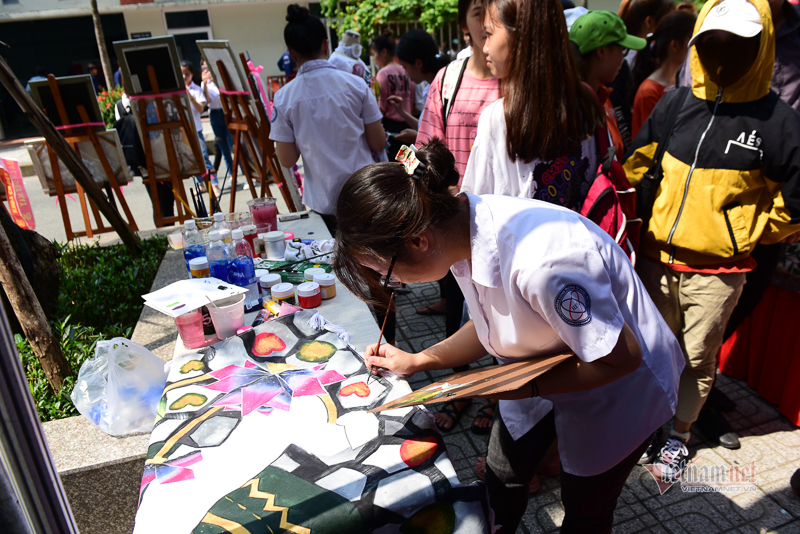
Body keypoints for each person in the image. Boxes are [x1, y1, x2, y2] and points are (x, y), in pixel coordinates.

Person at [332, 140, 683, 534]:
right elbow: (494, 323)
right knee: (502, 476)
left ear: (417, 241)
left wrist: (518, 388)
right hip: (543, 368)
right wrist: (420, 360)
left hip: (614, 387)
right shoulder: (458, 231)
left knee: (587, 507)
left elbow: (621, 358)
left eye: (383, 271)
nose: (388, 282)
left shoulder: (544, 263)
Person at [622, 0, 800, 478]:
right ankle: (648, 424)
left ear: (761, 46)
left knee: (697, 358)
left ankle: (678, 437)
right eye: (712, 40)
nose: (722, 51)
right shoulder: (677, 104)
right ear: (697, 42)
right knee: (654, 350)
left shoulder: (779, 121)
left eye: (737, 42)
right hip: (657, 261)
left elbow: (796, 195)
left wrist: (753, 231)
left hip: (717, 274)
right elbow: (637, 164)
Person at [269, 4, 392, 342]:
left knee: (335, 279)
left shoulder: (285, 96)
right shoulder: (355, 84)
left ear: (291, 54)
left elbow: (286, 157)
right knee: (378, 274)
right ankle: (387, 345)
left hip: (325, 205)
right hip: (367, 199)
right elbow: (378, 140)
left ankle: (348, 343)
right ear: (326, 43)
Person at [414, 0, 502, 435]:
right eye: (476, 11)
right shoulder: (450, 78)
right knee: (460, 309)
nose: (485, 22)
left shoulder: (520, 77)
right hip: (453, 224)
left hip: (505, 227)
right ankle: (462, 384)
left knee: (505, 316)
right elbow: (425, 147)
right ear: (465, 20)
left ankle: (499, 396)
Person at [570, 11, 647, 159]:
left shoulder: (603, 97)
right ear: (601, 51)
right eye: (622, 50)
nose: (623, 59)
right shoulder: (574, 110)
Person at [610, 0, 675, 149]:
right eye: (668, 19)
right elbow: (620, 113)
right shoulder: (622, 64)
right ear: (649, 21)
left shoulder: (652, 58)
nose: (673, 25)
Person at [630, 10, 696, 139]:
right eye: (692, 42)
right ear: (675, 45)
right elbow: (653, 141)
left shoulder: (682, 82)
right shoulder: (649, 91)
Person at [387, 29, 450, 144]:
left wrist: (417, 137)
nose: (405, 73)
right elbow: (425, 127)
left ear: (418, 64)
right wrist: (402, 112)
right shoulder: (429, 89)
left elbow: (446, 136)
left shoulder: (444, 90)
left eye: (405, 67)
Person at [370, 31, 416, 158]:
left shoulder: (382, 74)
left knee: (394, 173)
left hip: (391, 133)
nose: (374, 58)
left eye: (374, 54)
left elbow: (380, 110)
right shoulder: (406, 70)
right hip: (408, 128)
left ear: (383, 52)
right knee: (409, 170)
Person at [181, 60, 220, 198]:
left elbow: (200, 108)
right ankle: (201, 184)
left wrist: (190, 97)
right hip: (183, 131)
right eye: (182, 74)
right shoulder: (178, 91)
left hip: (196, 129)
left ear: (192, 74)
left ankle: (214, 184)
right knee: (191, 159)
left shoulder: (196, 90)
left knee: (204, 157)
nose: (184, 77)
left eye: (187, 74)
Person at [200, 61, 236, 179]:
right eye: (204, 69)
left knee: (233, 145)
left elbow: (225, 95)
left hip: (225, 112)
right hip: (215, 114)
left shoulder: (218, 81)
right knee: (224, 149)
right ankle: (232, 175)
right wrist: (205, 83)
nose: (207, 71)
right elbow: (208, 101)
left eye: (208, 68)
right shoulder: (204, 84)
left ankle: (245, 174)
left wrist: (215, 80)